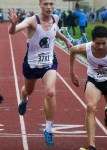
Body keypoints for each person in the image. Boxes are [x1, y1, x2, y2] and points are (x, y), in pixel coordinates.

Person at [8, 0, 72, 147]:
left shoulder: (55, 18)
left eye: (51, 4)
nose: (49, 7)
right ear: (40, 4)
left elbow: (55, 31)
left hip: (49, 63)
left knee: (50, 92)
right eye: (46, 4)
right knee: (28, 90)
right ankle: (24, 100)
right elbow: (12, 32)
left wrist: (66, 40)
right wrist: (13, 23)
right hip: (31, 64)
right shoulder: (31, 21)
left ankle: (48, 130)